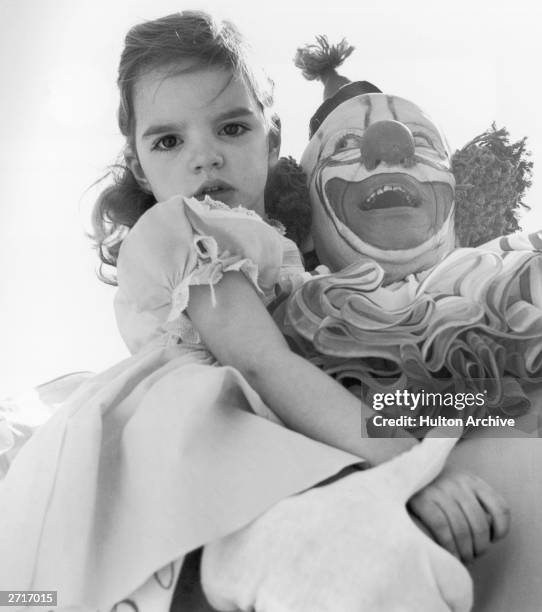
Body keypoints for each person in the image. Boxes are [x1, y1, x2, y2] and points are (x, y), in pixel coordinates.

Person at [0, 11, 505, 610]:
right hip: (206, 455)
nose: (205, 157)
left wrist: (475, 400)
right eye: (169, 141)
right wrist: (413, 465)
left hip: (273, 441)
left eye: (231, 129)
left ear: (272, 138)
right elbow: (267, 365)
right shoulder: (188, 231)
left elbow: (339, 363)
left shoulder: (289, 264)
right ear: (139, 163)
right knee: (350, 556)